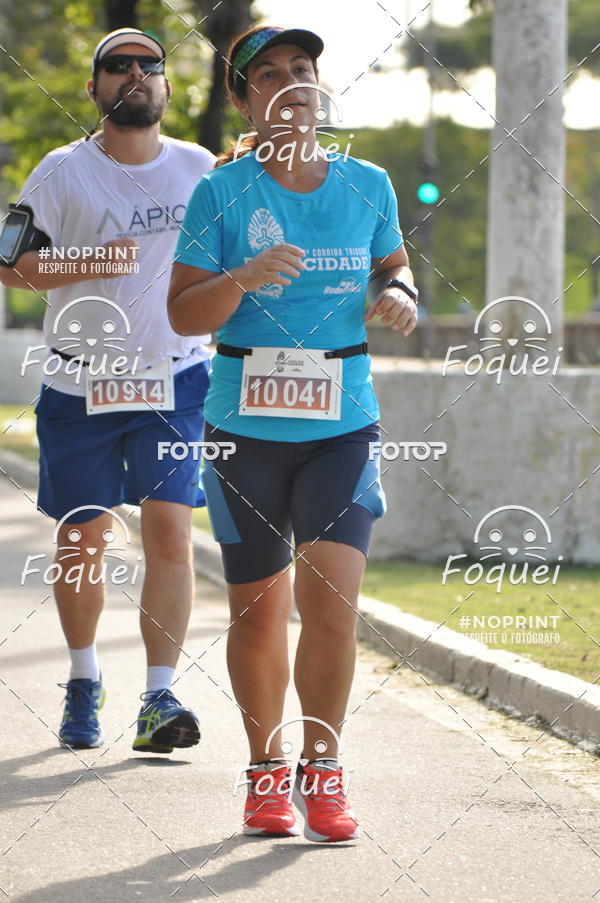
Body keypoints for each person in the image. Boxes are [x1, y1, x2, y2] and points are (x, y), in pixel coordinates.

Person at [168, 25, 418, 842]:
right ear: (244, 98)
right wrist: (240, 277)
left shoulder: (370, 182)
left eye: (302, 70)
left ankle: (325, 767)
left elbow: (394, 267)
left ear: (320, 87)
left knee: (334, 605)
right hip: (244, 427)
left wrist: (401, 296)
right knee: (257, 610)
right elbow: (181, 311)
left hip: (340, 422)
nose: (289, 84)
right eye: (267, 75)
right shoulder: (222, 192)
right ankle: (265, 771)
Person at [0, 28, 215, 753]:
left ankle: (158, 695)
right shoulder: (61, 172)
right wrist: (90, 257)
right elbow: (9, 263)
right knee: (83, 538)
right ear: (93, 89)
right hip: (81, 383)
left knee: (169, 531)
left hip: (176, 380)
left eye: (148, 66)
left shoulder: (197, 166)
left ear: (166, 87)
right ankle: (85, 679)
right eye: (116, 67)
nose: (134, 75)